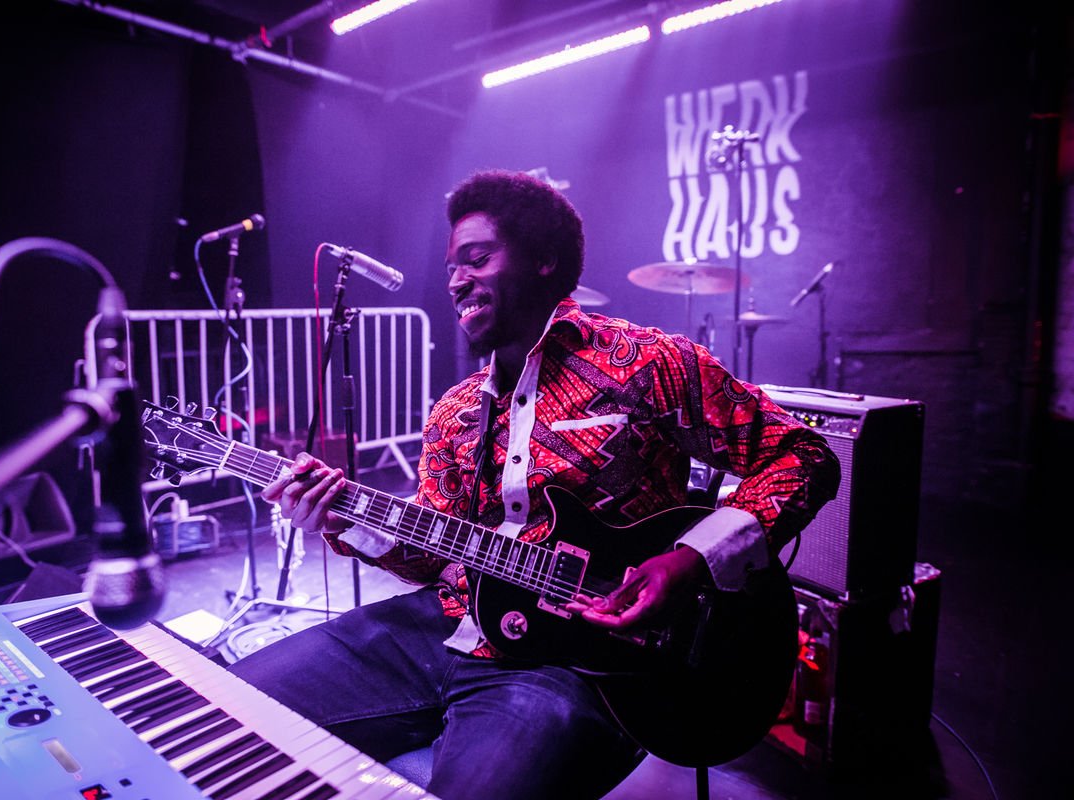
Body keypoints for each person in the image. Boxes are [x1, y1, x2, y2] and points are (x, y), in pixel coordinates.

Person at [229, 168, 840, 800]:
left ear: (545, 260)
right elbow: (432, 553)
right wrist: (341, 516)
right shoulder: (456, 409)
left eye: (477, 258)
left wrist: (687, 562)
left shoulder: (648, 362)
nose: (456, 279)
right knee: (229, 713)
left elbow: (803, 455)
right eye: (451, 267)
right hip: (442, 627)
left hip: (580, 661)